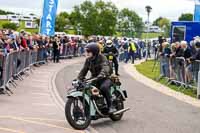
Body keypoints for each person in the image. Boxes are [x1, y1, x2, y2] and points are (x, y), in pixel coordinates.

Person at [77, 43, 115, 113]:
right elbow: (84, 70)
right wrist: (79, 79)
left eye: (88, 51)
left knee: (104, 87)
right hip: (95, 78)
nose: (86, 53)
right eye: (86, 51)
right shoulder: (88, 60)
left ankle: (111, 106)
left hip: (105, 78)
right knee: (84, 87)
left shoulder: (102, 57)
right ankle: (94, 105)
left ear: (94, 52)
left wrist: (102, 74)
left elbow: (105, 67)